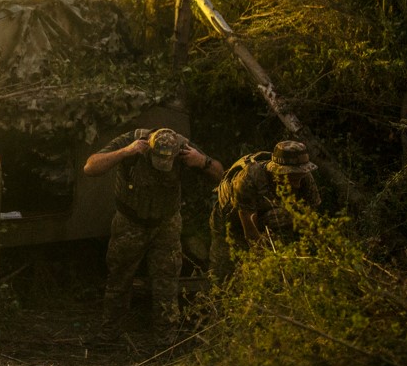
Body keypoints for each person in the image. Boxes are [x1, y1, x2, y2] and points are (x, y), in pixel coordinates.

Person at [83, 127, 225, 342]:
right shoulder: (131, 141)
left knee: (167, 281)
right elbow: (90, 167)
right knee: (119, 278)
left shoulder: (183, 147)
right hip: (130, 222)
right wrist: (125, 152)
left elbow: (220, 175)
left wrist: (202, 161)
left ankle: (165, 337)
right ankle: (109, 333)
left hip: (166, 223)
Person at [208, 140, 321, 282]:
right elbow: (250, 234)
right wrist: (268, 263)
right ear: (278, 171)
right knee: (226, 274)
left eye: (300, 176)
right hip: (232, 224)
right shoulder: (248, 179)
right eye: (292, 176)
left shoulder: (303, 176)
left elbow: (312, 220)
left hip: (268, 217)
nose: (297, 183)